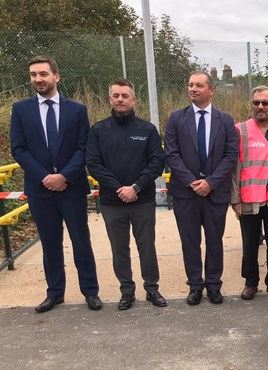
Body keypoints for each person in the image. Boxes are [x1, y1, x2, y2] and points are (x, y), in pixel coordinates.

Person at [10, 55, 102, 312]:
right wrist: (45, 177)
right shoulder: (21, 109)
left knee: (80, 241)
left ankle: (90, 292)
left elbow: (84, 148)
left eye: (43, 74)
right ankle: (55, 293)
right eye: (33, 75)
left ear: (56, 77)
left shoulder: (77, 110)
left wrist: (64, 176)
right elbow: (19, 148)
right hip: (40, 190)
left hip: (71, 188)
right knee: (50, 243)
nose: (38, 79)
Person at [86, 78, 166, 311]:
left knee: (147, 247)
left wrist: (136, 188)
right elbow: (93, 164)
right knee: (119, 249)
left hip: (142, 200)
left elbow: (156, 163)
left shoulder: (147, 130)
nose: (120, 99)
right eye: (116, 95)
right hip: (112, 202)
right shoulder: (98, 130)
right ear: (109, 99)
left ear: (134, 99)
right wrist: (118, 188)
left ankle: (152, 288)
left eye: (125, 96)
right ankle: (127, 291)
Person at [164, 71, 239, 305]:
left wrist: (211, 182)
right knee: (190, 240)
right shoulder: (176, 119)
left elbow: (231, 155)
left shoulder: (225, 120)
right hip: (186, 193)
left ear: (211, 90)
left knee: (214, 240)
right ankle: (195, 285)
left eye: (198, 85)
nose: (193, 89)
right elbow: (171, 154)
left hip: (215, 193)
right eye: (190, 85)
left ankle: (214, 285)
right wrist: (192, 181)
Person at [231, 86, 268, 301]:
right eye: (256, 103)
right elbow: (234, 168)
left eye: (265, 103)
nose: (260, 107)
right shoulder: (240, 131)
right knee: (250, 243)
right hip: (249, 198)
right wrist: (235, 199)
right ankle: (250, 282)